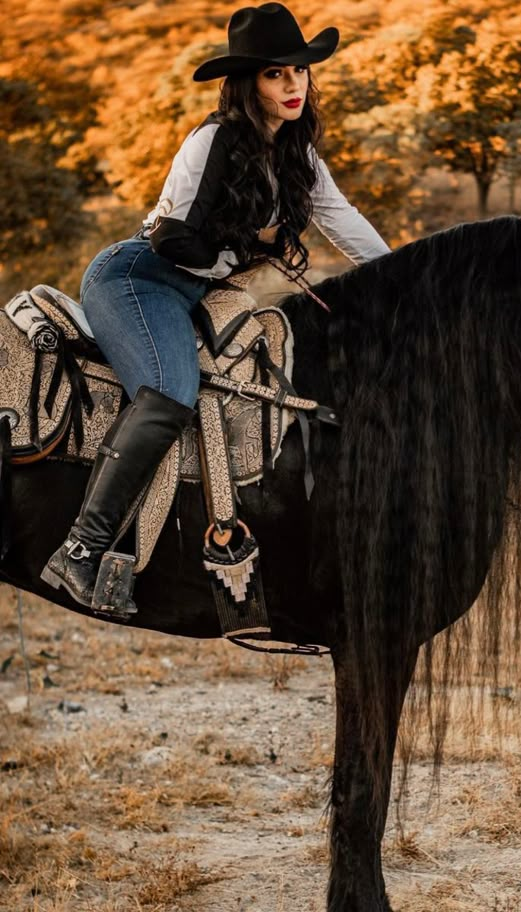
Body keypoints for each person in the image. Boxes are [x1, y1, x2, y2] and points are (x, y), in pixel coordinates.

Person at [41, 2, 391, 609]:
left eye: (299, 73)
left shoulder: (298, 153)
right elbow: (171, 236)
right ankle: (79, 550)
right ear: (247, 83)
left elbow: (346, 223)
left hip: (205, 290)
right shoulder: (213, 140)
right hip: (140, 279)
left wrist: (404, 279)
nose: (292, 86)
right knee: (171, 393)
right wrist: (248, 243)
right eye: (275, 74)